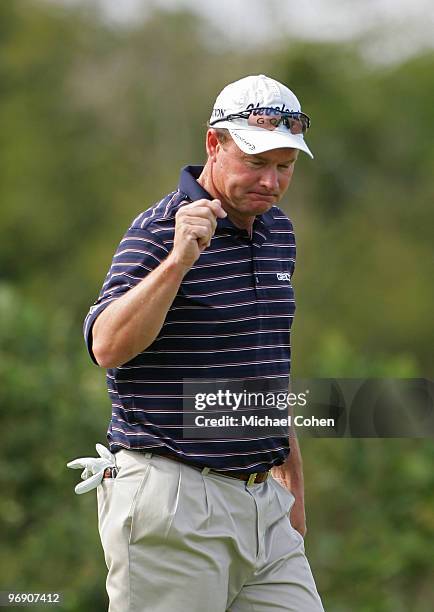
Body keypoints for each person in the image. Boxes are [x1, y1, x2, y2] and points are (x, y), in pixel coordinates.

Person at [70, 74, 325, 611]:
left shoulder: (278, 231)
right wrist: (181, 259)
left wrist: (291, 484)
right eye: (256, 164)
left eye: (285, 166)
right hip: (174, 502)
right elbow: (107, 346)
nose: (272, 182)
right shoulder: (160, 232)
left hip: (263, 506)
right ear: (215, 144)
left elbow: (266, 361)